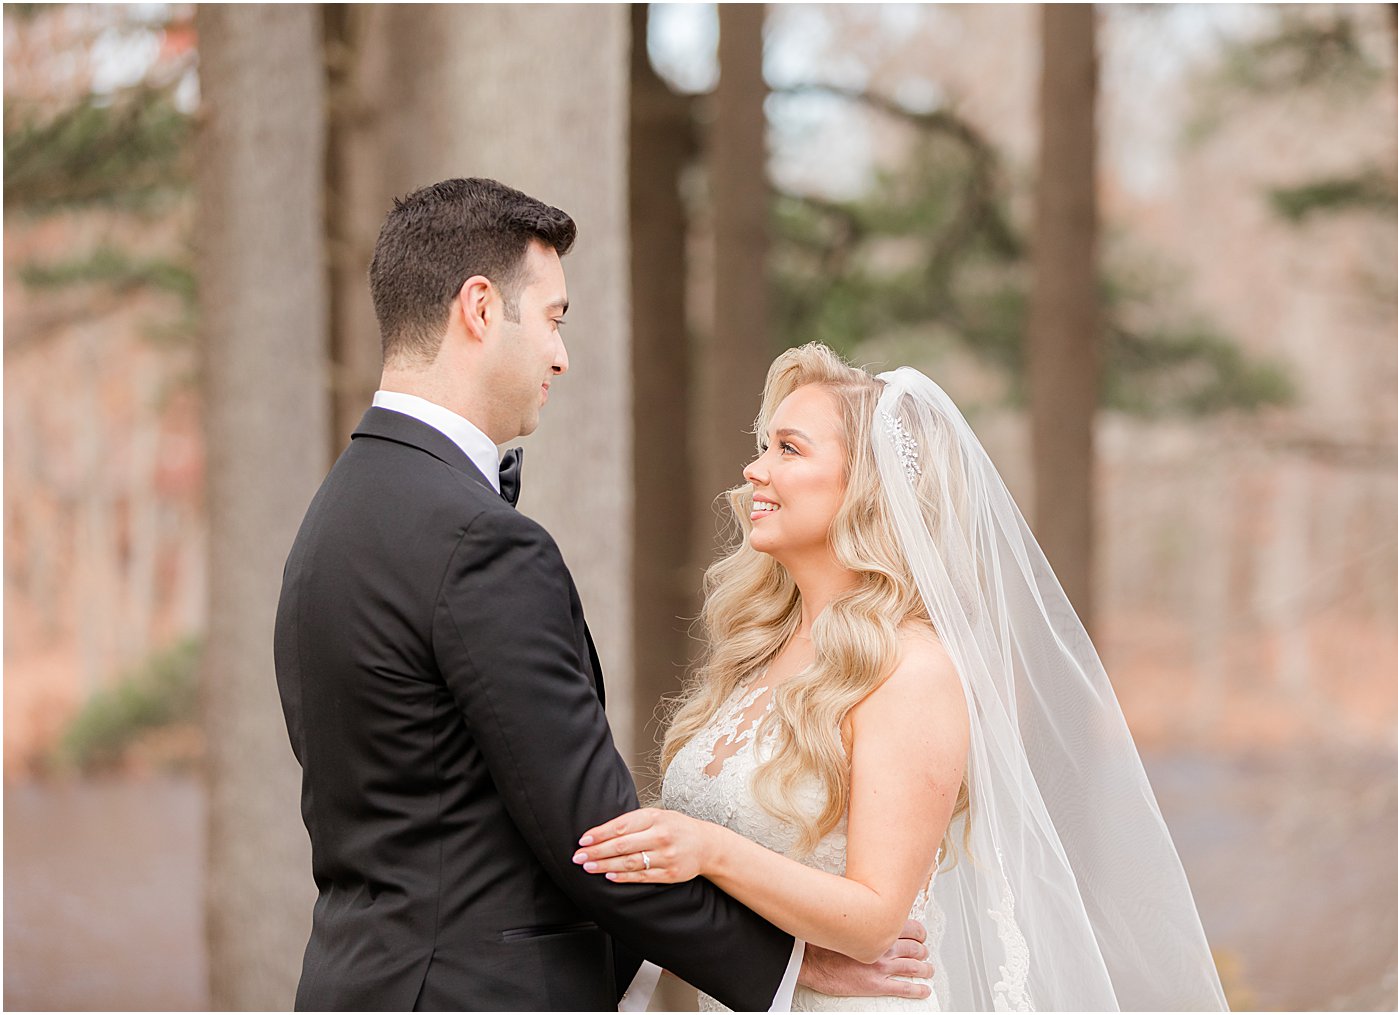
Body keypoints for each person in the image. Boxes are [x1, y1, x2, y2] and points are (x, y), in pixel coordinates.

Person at [273, 180, 932, 1011]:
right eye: (553, 318)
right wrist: (789, 967)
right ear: (479, 308)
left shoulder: (334, 516)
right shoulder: (480, 543)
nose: (561, 355)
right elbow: (591, 835)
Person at [573, 343, 1231, 1011]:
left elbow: (874, 915)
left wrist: (707, 847)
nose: (754, 469)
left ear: (866, 483)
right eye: (764, 446)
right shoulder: (764, 643)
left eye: (789, 449)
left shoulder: (911, 670)